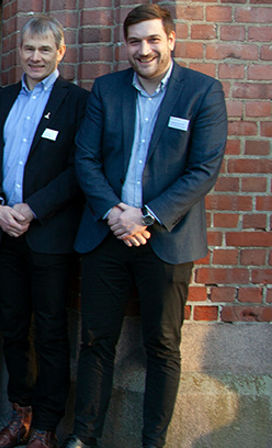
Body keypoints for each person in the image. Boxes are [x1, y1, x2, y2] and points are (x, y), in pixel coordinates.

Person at [64, 5, 227, 448]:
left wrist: (147, 215)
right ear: (125, 44)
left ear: (171, 39)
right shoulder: (107, 89)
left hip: (168, 238)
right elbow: (86, 158)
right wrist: (116, 212)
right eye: (135, 41)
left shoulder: (202, 92)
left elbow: (204, 169)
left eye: (153, 39)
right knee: (95, 340)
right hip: (107, 233)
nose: (144, 49)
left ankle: (152, 441)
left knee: (162, 345)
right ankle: (84, 436)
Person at [0, 15, 89, 448]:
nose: (36, 57)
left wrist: (33, 209)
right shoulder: (1, 100)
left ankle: (46, 424)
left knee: (51, 331)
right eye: (29, 49)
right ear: (18, 52)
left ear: (60, 52)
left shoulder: (77, 102)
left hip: (49, 236)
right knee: (11, 327)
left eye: (45, 49)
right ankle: (19, 414)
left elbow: (79, 168)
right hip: (3, 233)